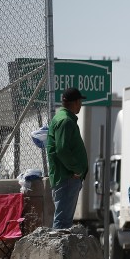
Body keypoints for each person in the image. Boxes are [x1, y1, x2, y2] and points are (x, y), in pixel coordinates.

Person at [46, 87, 88, 230]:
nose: (81, 105)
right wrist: (76, 169)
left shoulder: (61, 118)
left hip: (65, 177)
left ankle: (58, 251)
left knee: (63, 220)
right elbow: (62, 149)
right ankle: (57, 252)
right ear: (76, 102)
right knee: (62, 224)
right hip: (67, 178)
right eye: (80, 102)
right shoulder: (65, 121)